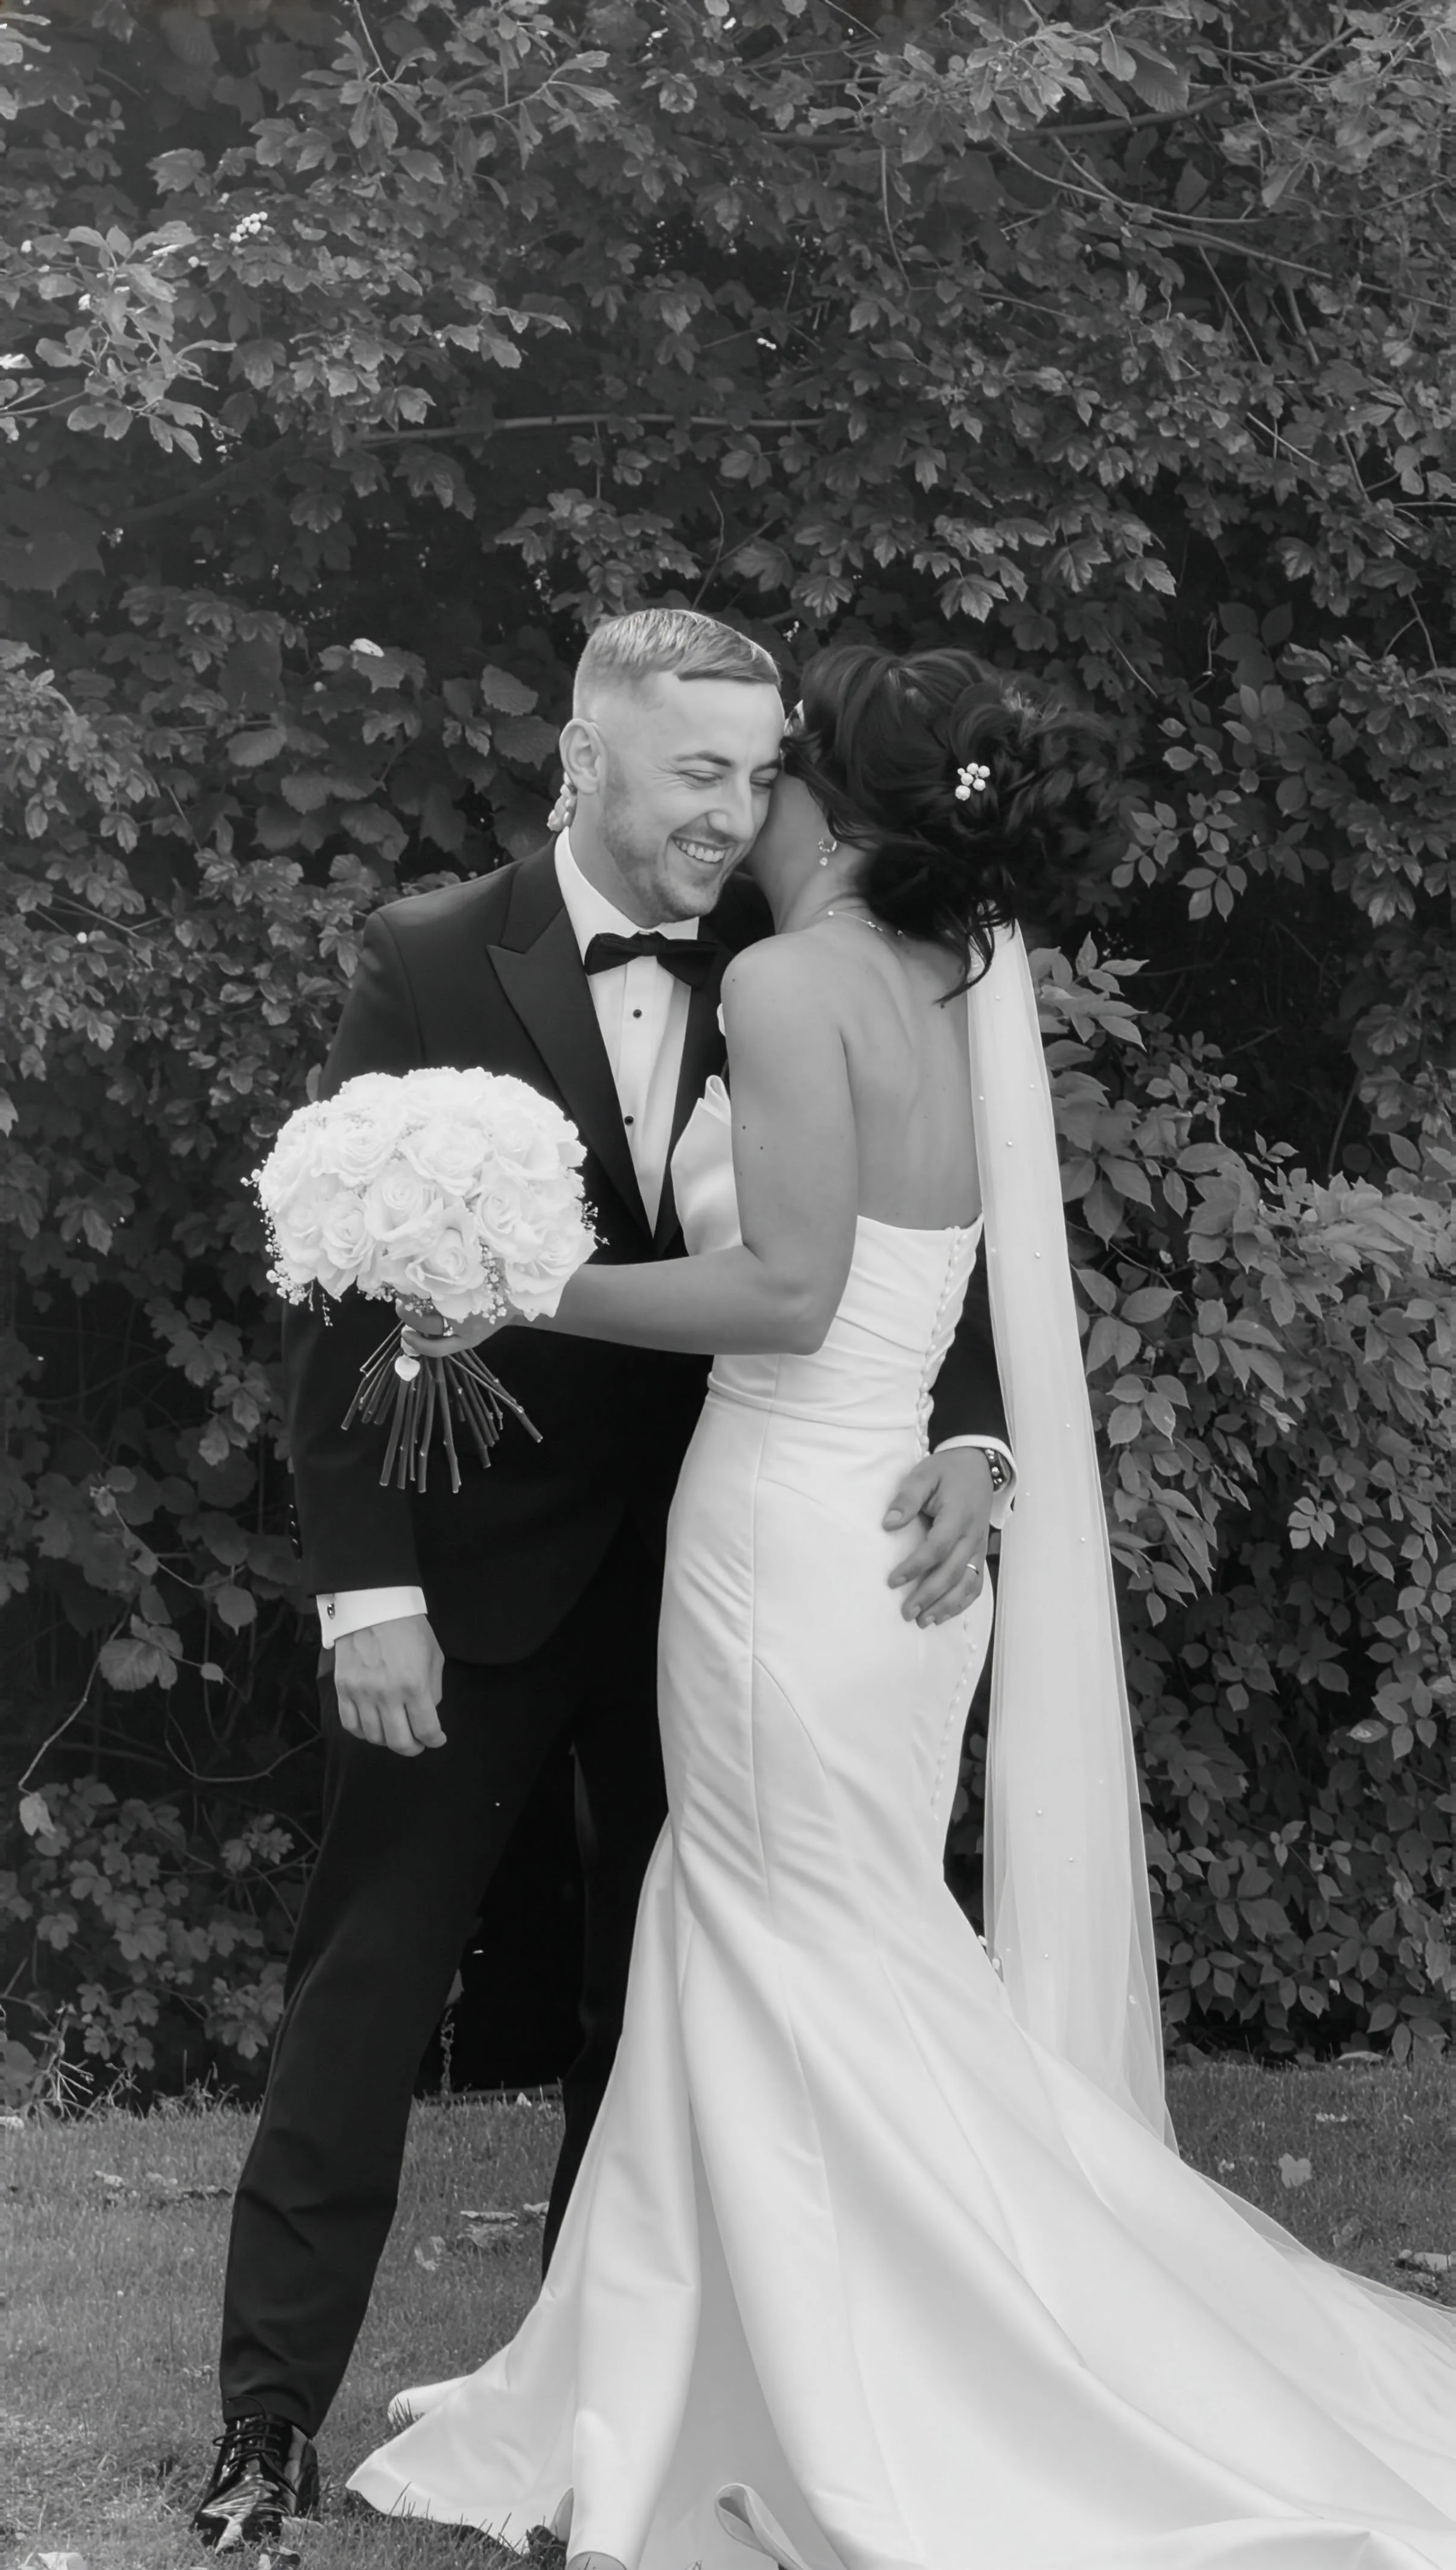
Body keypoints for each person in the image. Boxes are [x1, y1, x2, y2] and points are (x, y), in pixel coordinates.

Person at [350, 644, 1456, 2570]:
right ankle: (739, 2347)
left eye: (768, 771)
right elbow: (913, 1282)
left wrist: (520, 1284)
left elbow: (784, 1293)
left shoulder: (786, 985)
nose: (737, 801)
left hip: (789, 1528)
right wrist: (975, 1445)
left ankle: (889, 2378)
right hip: (892, 1544)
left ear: (825, 804)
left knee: (788, 1943)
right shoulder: (946, 983)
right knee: (828, 1941)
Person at [192, 614, 1014, 2549]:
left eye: (755, 774)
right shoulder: (423, 955)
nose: (729, 815)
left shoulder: (801, 949)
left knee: (653, 2014)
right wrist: (363, 1591)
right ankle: (260, 2426)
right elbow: (335, 1299)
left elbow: (921, 1231)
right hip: (471, 1584)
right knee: (369, 1994)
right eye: (692, 774)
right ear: (582, 762)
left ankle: (605, 2399)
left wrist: (973, 1436)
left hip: (735, 1580)